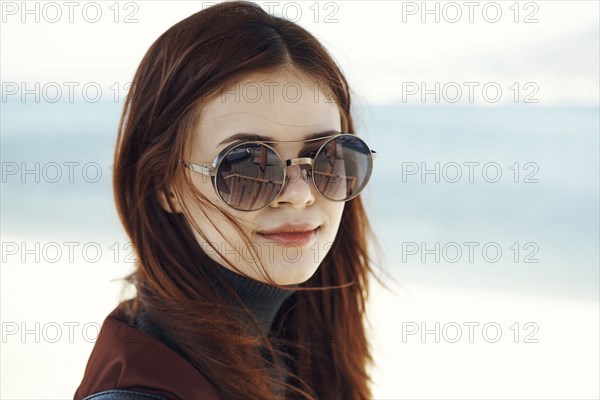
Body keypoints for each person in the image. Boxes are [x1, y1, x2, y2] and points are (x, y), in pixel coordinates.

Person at [74, 2, 382, 399]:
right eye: (248, 167)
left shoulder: (296, 350)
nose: (301, 194)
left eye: (329, 158)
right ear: (164, 185)